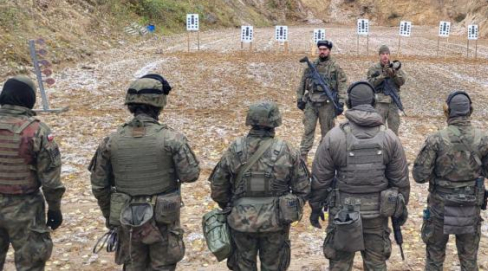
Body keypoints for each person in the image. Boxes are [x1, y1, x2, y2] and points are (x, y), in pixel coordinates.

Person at [89, 74, 200, 271]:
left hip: (127, 218)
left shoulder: (111, 141)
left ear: (130, 105)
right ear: (160, 104)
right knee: (163, 266)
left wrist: (111, 217)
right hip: (163, 220)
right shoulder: (171, 139)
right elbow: (191, 174)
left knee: (132, 265)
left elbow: (99, 185)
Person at [309, 81, 410, 271]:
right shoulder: (389, 137)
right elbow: (400, 180)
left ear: (348, 103)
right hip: (377, 213)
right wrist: (400, 209)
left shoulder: (334, 137)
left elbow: (320, 179)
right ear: (373, 102)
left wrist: (315, 207)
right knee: (376, 264)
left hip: (343, 213)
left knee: (339, 264)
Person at [209, 101, 310, 271]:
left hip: (241, 222)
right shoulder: (287, 150)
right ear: (276, 122)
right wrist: (287, 207)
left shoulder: (235, 149)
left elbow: (218, 187)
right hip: (276, 223)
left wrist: (231, 206)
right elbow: (303, 188)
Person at [412, 91, 488, 271]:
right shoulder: (484, 139)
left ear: (447, 111)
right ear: (470, 110)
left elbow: (419, 175)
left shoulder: (436, 140)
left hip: (440, 207)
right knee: (469, 260)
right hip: (469, 207)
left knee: (434, 258)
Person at [0, 76, 65, 270]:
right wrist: (54, 209)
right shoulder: (37, 131)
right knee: (31, 264)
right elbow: (50, 179)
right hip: (25, 208)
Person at [297, 40, 348, 159]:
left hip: (327, 104)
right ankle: (303, 155)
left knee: (327, 132)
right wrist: (300, 98)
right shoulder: (311, 66)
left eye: (324, 50)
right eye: (320, 49)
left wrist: (341, 101)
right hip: (311, 103)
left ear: (329, 51)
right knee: (308, 130)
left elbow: (342, 84)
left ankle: (325, 156)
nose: (322, 52)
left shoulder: (335, 67)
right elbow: (302, 83)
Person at [367, 45, 406, 135]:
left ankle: (392, 148)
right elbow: (370, 83)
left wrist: (394, 75)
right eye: (383, 54)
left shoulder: (395, 67)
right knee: (378, 130)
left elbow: (402, 81)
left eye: (387, 54)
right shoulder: (374, 68)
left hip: (393, 103)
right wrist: (383, 75)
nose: (385, 56)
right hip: (380, 103)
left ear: (389, 55)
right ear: (379, 55)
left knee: (393, 131)